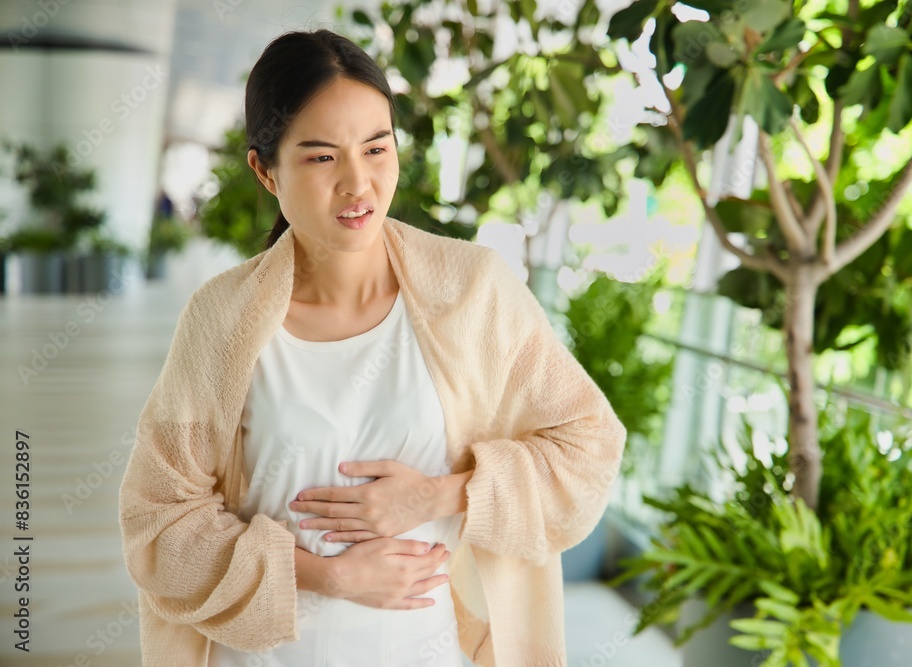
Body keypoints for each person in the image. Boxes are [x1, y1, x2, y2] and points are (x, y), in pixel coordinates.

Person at [118, 28, 626, 667]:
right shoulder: (222, 320)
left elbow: (588, 446)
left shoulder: (473, 293)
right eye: (322, 156)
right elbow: (159, 525)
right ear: (264, 170)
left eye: (376, 147)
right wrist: (328, 576)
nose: (358, 184)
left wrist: (442, 495)